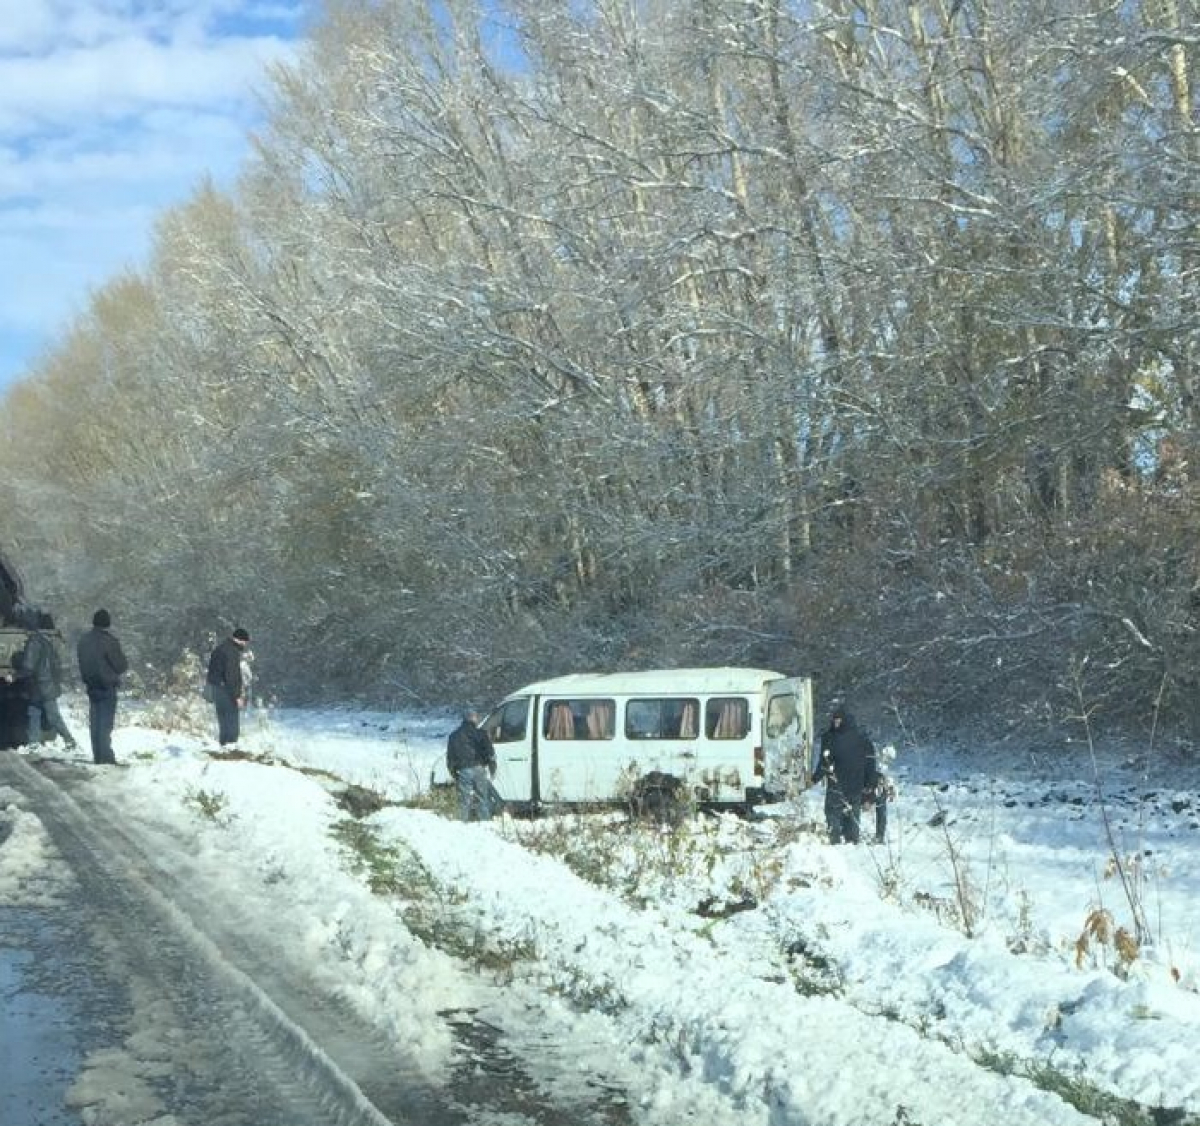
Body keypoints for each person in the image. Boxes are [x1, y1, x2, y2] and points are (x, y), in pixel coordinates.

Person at [812, 702, 877, 845]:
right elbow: (871, 763)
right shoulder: (862, 738)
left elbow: (824, 762)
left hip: (840, 784)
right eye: (834, 720)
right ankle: (851, 841)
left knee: (834, 812)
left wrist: (814, 778)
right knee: (852, 814)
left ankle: (837, 840)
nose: (836, 723)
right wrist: (870, 784)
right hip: (853, 784)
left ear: (845, 720)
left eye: (838, 720)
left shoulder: (832, 738)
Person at [16, 613, 77, 749]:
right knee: (35, 712)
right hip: (45, 684)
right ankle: (33, 742)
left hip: (41, 685)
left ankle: (69, 740)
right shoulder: (43, 641)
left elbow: (29, 666)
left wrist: (15, 676)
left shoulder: (33, 643)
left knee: (51, 715)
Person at [76, 609, 128, 765]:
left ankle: (97, 755)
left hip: (91, 686)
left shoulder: (83, 641)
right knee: (105, 723)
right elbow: (121, 665)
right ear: (107, 623)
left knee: (95, 722)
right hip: (107, 686)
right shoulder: (110, 641)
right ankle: (106, 756)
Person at [446, 709, 497, 822]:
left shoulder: (453, 736)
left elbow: (450, 758)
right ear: (474, 719)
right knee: (482, 798)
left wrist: (454, 773)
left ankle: (462, 823)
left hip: (463, 770)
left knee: (464, 799)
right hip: (479, 768)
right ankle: (485, 822)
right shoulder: (481, 734)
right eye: (476, 717)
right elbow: (490, 753)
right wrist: (492, 768)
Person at [206, 627, 251, 747]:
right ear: (241, 640)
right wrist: (237, 696)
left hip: (216, 690)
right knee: (232, 723)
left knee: (223, 722)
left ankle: (223, 746)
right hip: (227, 692)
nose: (245, 645)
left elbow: (211, 672)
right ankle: (231, 749)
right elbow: (232, 675)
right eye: (245, 642)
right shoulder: (232, 652)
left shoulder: (220, 649)